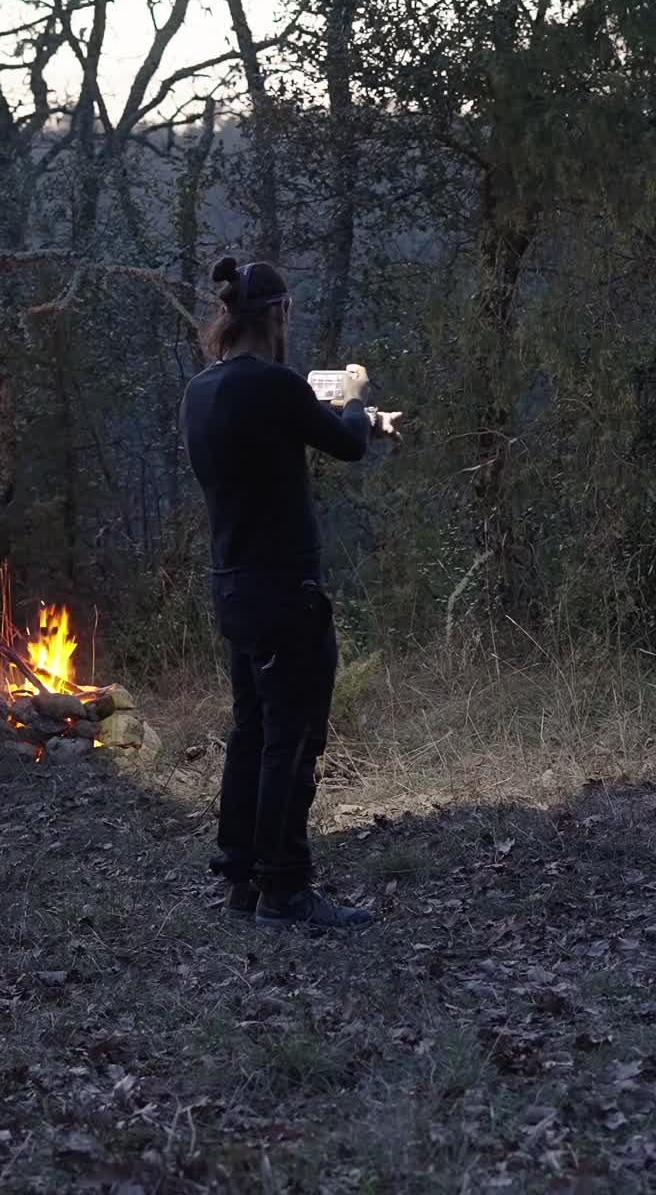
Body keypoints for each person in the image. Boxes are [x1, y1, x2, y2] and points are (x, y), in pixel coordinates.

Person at [180, 257, 402, 929]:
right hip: (285, 591)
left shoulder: (201, 390)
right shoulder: (276, 387)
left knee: (252, 732)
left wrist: (336, 410)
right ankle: (287, 888)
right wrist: (361, 402)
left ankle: (242, 877)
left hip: (233, 588)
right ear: (277, 315)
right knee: (294, 739)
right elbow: (346, 442)